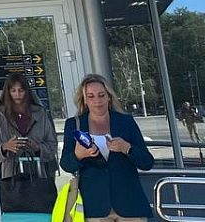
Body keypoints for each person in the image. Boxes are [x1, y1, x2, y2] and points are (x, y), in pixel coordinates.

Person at [60, 73, 154, 222]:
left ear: (109, 97)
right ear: (84, 99)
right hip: (94, 207)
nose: (97, 100)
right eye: (91, 96)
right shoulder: (74, 124)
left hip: (130, 204)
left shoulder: (126, 122)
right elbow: (66, 165)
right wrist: (78, 155)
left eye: (101, 95)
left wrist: (127, 148)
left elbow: (147, 162)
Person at [0, 73, 58, 183]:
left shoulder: (40, 113)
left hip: (39, 172)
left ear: (27, 91)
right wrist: (5, 146)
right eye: (13, 91)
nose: (17, 94)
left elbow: (52, 144)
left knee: (39, 193)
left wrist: (38, 148)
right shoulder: (0, 115)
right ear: (8, 92)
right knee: (16, 193)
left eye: (21, 90)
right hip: (12, 174)